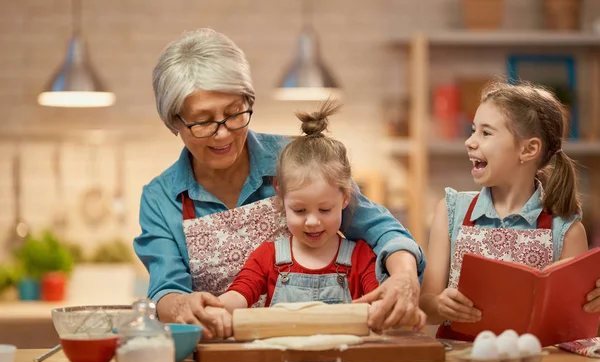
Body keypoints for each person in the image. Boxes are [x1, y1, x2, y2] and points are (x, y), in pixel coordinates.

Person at [133, 28, 425, 340]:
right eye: (203, 121)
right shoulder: (161, 197)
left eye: (234, 113)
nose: (223, 133)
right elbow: (166, 289)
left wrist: (405, 275)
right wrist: (179, 305)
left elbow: (381, 229)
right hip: (219, 354)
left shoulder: (296, 161)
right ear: (174, 121)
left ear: (248, 101)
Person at [196, 101, 426, 338]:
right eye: (300, 210)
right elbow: (238, 295)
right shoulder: (267, 257)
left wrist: (396, 312)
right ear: (281, 197)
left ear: (346, 198)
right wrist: (218, 310)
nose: (313, 221)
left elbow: (380, 300)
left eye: (325, 210)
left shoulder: (361, 257)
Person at [419, 80, 591, 340]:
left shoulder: (567, 231)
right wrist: (440, 304)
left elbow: (571, 329)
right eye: (473, 130)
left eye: (486, 133)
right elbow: (426, 306)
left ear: (529, 149)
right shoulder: (450, 210)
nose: (469, 141)